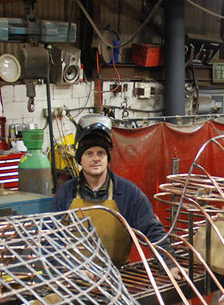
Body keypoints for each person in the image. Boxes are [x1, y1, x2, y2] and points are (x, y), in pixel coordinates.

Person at [53, 114, 183, 279]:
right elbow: (51, 237)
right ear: (80, 159)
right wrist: (65, 270)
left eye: (101, 153)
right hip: (75, 279)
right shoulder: (66, 193)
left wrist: (169, 265)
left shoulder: (127, 193)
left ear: (107, 158)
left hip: (117, 278)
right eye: (89, 154)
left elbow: (152, 229)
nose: (95, 159)